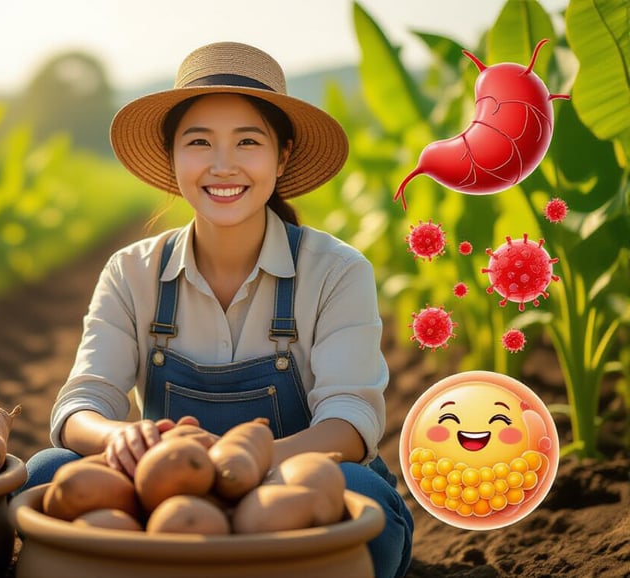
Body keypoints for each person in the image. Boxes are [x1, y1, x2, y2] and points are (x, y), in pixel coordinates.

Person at [22, 41, 413, 578]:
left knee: (361, 491)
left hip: (287, 486)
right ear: (172, 156)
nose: (223, 165)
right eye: (199, 142)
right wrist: (124, 440)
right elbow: (82, 404)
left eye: (248, 142)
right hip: (167, 493)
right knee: (48, 473)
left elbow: (350, 423)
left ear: (283, 155)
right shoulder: (131, 271)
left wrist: (238, 463)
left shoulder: (337, 271)